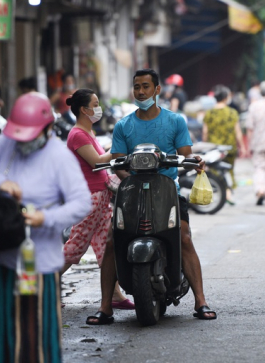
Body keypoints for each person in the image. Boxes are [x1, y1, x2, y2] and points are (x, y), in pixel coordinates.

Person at [0, 92, 90, 362]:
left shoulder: (60, 157)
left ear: (47, 128)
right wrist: (0, 181)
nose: (23, 141)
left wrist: (46, 218)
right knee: (5, 330)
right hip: (7, 258)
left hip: (40, 263)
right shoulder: (9, 142)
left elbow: (81, 203)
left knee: (37, 332)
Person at [86, 68, 216, 325]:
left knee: (184, 237)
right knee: (113, 241)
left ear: (157, 90)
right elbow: (117, 163)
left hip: (168, 190)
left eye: (146, 86)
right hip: (132, 192)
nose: (141, 92)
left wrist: (194, 161)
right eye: (137, 87)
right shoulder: (124, 125)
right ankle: (105, 307)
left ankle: (201, 301)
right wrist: (129, 181)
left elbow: (185, 155)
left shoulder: (175, 121)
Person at [60, 89, 134, 310]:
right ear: (84, 109)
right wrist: (119, 147)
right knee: (75, 248)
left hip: (100, 197)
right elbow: (98, 162)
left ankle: (116, 295)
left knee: (106, 247)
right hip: (88, 199)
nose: (98, 107)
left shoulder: (88, 132)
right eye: (95, 103)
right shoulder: (78, 135)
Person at [202, 85, 249, 205]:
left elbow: (205, 132)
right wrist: (243, 147)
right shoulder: (232, 112)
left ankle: (219, 193)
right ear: (226, 97)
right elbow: (238, 131)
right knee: (229, 170)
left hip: (213, 149)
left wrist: (204, 146)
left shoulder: (209, 113)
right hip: (229, 148)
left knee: (214, 172)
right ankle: (228, 193)